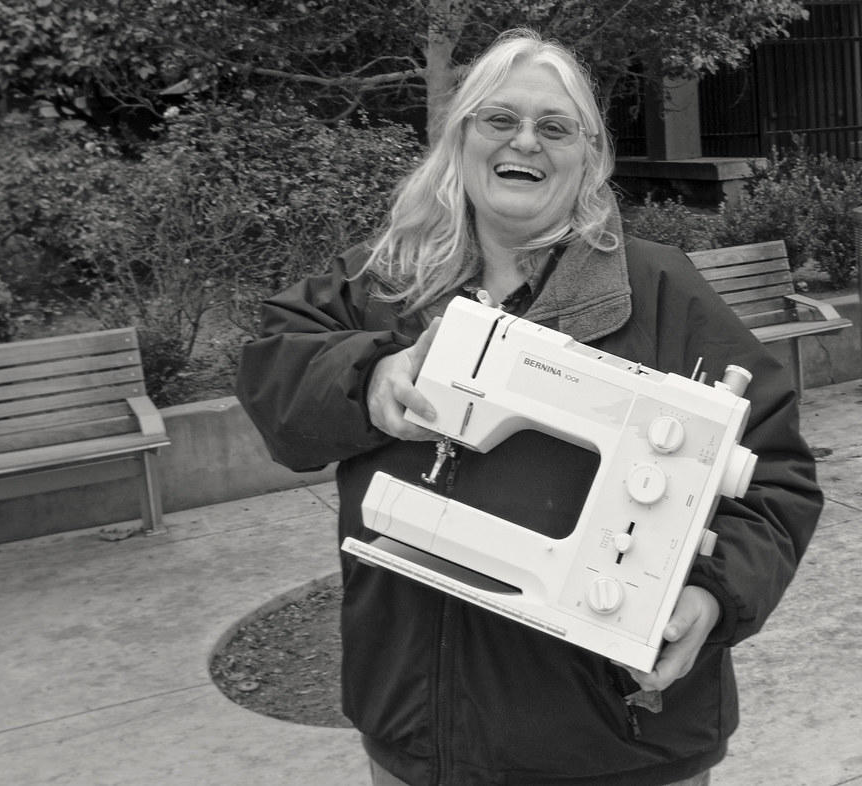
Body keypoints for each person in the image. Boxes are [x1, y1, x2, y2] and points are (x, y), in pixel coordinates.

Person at [236, 27, 822, 786]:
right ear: (460, 137)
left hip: (618, 739)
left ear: (590, 157)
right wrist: (372, 379)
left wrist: (713, 596)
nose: (526, 142)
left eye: (554, 128)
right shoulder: (383, 283)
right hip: (423, 732)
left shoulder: (664, 295)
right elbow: (271, 371)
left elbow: (774, 481)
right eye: (499, 119)